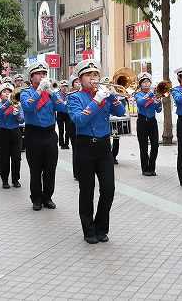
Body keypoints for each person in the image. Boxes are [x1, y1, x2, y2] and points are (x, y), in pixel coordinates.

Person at [67, 59, 126, 244]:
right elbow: (79, 120)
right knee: (87, 190)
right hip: (84, 146)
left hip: (103, 146)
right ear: (80, 78)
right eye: (89, 75)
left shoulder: (104, 94)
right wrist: (96, 100)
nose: (93, 78)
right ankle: (88, 229)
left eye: (96, 75)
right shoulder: (74, 97)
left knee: (109, 189)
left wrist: (112, 96)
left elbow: (121, 111)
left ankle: (102, 227)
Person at [20, 63, 66, 211]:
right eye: (39, 73)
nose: (42, 76)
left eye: (44, 73)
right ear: (31, 77)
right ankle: (36, 199)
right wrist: (39, 90)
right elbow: (28, 107)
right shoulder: (25, 93)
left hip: (50, 134)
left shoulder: (51, 93)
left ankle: (48, 197)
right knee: (35, 169)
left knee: (50, 169)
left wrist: (53, 93)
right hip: (33, 134)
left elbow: (63, 108)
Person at [0, 83, 25, 189]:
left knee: (16, 158)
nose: (7, 93)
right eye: (4, 92)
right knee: (4, 158)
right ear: (0, 94)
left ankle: (15, 180)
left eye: (9, 91)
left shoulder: (18, 105)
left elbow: (22, 120)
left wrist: (17, 115)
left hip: (15, 132)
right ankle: (5, 180)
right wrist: (7, 103)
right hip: (2, 133)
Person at [134, 72, 162, 176]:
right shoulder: (138, 94)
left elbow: (158, 110)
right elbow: (141, 103)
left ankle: (152, 167)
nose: (146, 84)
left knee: (155, 145)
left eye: (148, 82)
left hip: (152, 121)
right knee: (143, 146)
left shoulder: (154, 94)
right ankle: (145, 169)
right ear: (140, 84)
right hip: (142, 121)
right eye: (144, 82)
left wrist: (158, 102)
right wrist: (150, 95)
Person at [69, 74, 81, 180]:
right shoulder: (71, 95)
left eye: (79, 81)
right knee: (76, 149)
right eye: (76, 82)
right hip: (73, 124)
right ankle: (76, 173)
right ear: (72, 84)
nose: (78, 84)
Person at [56, 80, 71, 149]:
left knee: (68, 130)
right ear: (60, 87)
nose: (64, 88)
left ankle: (66, 143)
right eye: (63, 86)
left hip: (68, 114)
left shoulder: (70, 94)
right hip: (60, 113)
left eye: (66, 86)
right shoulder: (57, 94)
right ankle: (61, 144)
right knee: (61, 129)